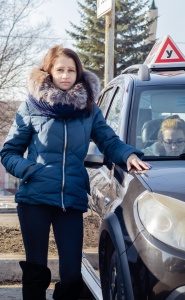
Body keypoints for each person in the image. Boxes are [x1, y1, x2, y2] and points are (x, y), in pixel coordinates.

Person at [0, 45, 150, 300]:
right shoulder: (32, 107)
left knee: (71, 272)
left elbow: (108, 141)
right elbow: (9, 152)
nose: (66, 75)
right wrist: (28, 169)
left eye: (71, 70)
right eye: (60, 70)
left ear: (79, 74)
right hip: (34, 197)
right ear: (49, 72)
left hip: (71, 199)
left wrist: (129, 155)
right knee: (36, 268)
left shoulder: (89, 110)